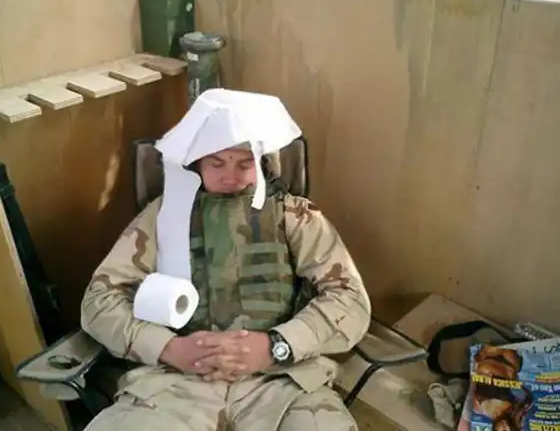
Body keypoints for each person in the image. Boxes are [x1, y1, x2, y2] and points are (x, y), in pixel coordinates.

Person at [80, 88, 371, 431]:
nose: (230, 176)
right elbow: (99, 300)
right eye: (216, 163)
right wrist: (167, 348)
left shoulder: (294, 215)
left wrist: (276, 346)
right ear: (196, 164)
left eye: (244, 163)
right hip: (175, 383)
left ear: (262, 164)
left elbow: (350, 299)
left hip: (283, 381)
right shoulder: (164, 215)